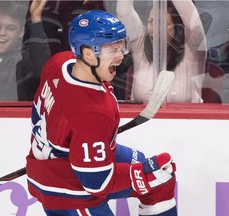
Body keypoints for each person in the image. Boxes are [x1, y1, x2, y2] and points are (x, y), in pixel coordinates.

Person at [26, 10, 177, 216]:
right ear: (88, 54)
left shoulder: (60, 63)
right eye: (112, 50)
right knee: (153, 174)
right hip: (65, 189)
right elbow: (98, 182)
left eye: (121, 47)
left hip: (57, 157)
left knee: (160, 181)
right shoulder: (91, 113)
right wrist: (139, 175)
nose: (120, 56)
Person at [116, 0, 207, 103]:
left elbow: (194, 23)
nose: (155, 30)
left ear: (178, 28)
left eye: (163, 23)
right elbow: (124, 11)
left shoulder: (192, 52)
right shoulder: (140, 48)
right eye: (152, 22)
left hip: (186, 119)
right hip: (143, 119)